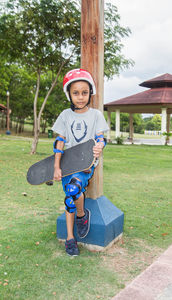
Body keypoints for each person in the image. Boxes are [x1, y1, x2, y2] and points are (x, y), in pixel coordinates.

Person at [52, 68, 109, 256]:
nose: (80, 97)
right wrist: (56, 166)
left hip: (87, 163)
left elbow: (100, 138)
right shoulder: (65, 115)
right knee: (70, 197)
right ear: (69, 94)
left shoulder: (96, 116)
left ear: (90, 93)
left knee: (74, 189)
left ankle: (82, 215)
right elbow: (59, 142)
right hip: (68, 163)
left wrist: (100, 146)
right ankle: (70, 238)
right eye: (75, 93)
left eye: (84, 93)